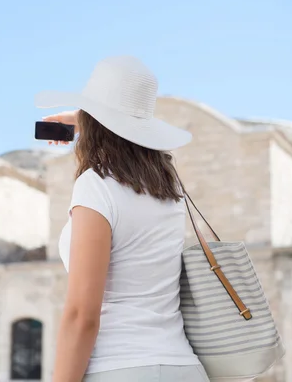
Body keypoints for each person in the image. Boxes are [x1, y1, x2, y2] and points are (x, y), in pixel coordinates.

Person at [35, 56, 209, 382]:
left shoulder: (96, 186)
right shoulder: (166, 185)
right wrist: (90, 119)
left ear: (93, 123)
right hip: (183, 368)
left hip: (120, 367)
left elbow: (82, 315)